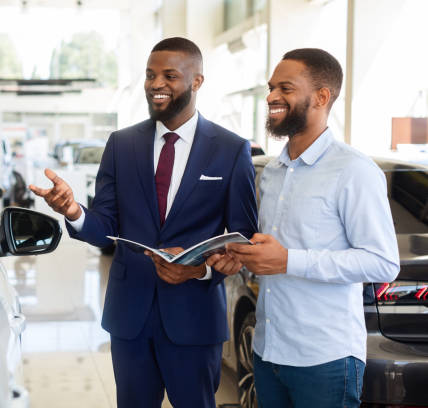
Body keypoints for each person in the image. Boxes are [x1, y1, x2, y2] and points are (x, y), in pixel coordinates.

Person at [30, 37, 257, 408]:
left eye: (169, 75)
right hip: (129, 316)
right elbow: (105, 225)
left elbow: (241, 237)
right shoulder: (122, 144)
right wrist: (73, 211)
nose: (156, 84)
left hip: (194, 317)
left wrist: (198, 271)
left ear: (197, 81)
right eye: (150, 75)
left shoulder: (231, 150)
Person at [222, 48, 400, 407]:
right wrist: (241, 255)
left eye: (285, 88)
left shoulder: (354, 171)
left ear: (322, 97)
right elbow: (272, 251)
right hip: (268, 350)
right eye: (271, 88)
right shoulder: (272, 172)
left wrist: (289, 260)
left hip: (325, 360)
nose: (272, 97)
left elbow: (383, 263)